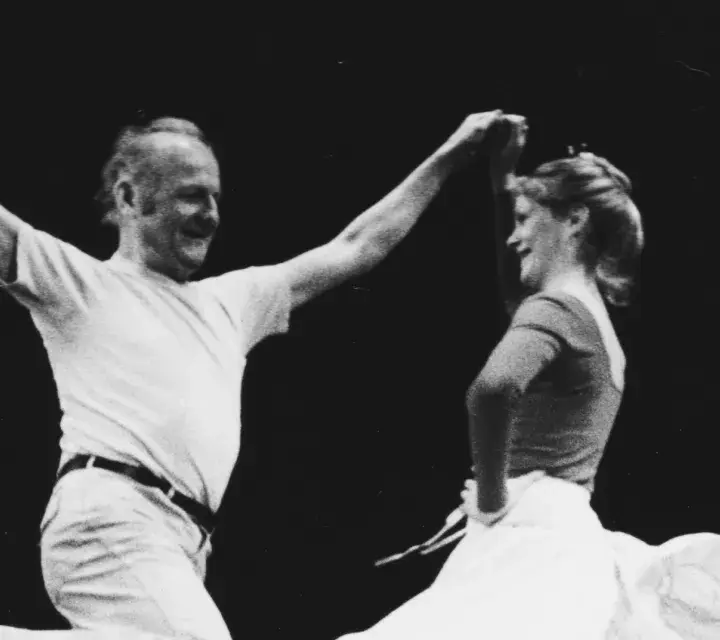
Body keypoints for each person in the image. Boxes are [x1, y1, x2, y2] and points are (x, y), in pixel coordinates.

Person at [0, 110, 507, 640]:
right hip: (111, 517)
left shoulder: (232, 302)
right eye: (191, 195)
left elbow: (358, 247)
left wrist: (452, 154)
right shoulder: (80, 283)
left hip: (181, 541)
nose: (211, 215)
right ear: (129, 198)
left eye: (215, 198)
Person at [338, 117, 720, 639]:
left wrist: (491, 496)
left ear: (575, 220)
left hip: (525, 528)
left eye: (524, 220)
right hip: (563, 528)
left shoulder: (555, 310)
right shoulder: (588, 317)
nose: (514, 237)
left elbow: (492, 389)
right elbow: (517, 295)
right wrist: (503, 178)